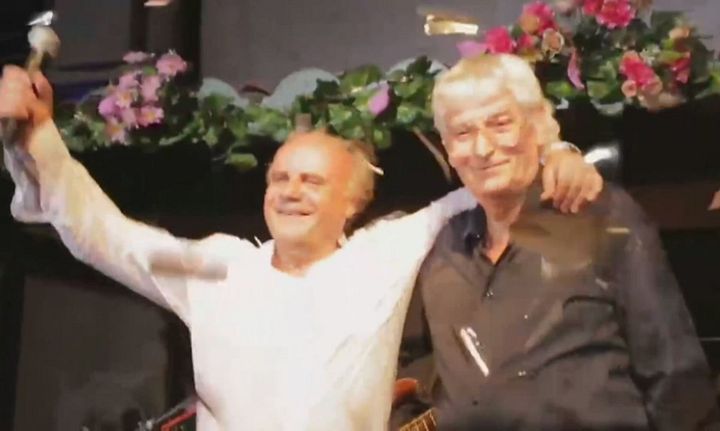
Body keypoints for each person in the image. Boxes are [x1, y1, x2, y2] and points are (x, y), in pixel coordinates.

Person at [0, 65, 602, 430]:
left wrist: (558, 155)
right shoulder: (222, 267)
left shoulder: (381, 256)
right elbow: (102, 234)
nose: (290, 192)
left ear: (352, 201)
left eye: (312, 181)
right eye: (280, 178)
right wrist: (39, 135)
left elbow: (487, 182)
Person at [397, 53, 720, 430]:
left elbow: (673, 370)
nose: (482, 148)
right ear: (447, 149)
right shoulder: (441, 248)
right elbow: (419, 371)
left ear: (537, 125)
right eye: (463, 133)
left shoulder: (599, 216)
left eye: (500, 124)